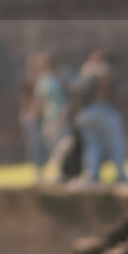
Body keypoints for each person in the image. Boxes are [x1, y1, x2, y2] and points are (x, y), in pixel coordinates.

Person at [71, 50, 128, 183]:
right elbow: (104, 82)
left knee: (92, 146)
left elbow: (76, 95)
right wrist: (101, 96)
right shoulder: (101, 69)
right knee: (116, 143)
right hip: (102, 109)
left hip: (85, 113)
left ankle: (92, 175)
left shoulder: (83, 71)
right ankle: (121, 174)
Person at [31, 52, 72, 183]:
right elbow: (41, 101)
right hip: (51, 117)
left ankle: (60, 172)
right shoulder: (46, 80)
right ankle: (55, 173)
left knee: (61, 145)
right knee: (53, 146)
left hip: (58, 115)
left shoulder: (53, 79)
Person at [18, 71, 50, 184]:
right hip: (32, 122)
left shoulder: (36, 91)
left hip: (35, 122)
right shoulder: (28, 95)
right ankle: (38, 173)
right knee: (35, 147)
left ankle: (40, 172)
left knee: (39, 147)